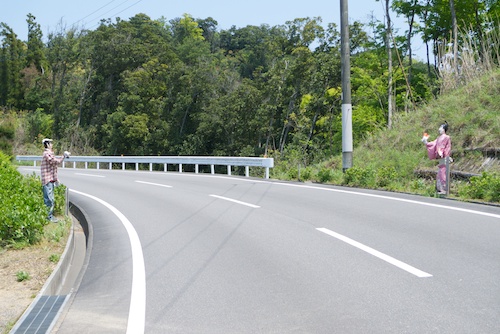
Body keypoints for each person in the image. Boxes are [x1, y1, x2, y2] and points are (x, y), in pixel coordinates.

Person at [41, 138, 69, 222]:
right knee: (49, 199)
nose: (52, 145)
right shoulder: (47, 154)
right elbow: (55, 162)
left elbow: (53, 168)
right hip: (47, 180)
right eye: (51, 143)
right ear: (47, 144)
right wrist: (63, 156)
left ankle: (49, 216)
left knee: (50, 198)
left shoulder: (49, 154)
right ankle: (48, 217)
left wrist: (56, 179)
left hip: (50, 179)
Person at [421, 122, 452, 194]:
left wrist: (440, 151)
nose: (439, 129)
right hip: (441, 158)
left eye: (441, 128)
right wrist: (426, 142)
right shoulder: (439, 138)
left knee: (443, 173)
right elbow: (433, 144)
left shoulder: (446, 137)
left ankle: (444, 189)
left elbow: (443, 146)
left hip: (444, 157)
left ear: (444, 129)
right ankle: (440, 189)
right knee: (440, 173)